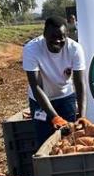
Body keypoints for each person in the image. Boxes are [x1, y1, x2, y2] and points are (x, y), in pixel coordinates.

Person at [23, 17, 87, 147]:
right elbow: (36, 87)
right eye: (52, 36)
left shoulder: (74, 48)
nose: (57, 40)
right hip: (40, 101)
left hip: (65, 97)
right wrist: (55, 117)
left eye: (61, 37)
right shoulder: (31, 49)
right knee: (45, 142)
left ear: (67, 35)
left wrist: (82, 115)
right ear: (44, 34)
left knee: (70, 140)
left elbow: (80, 84)